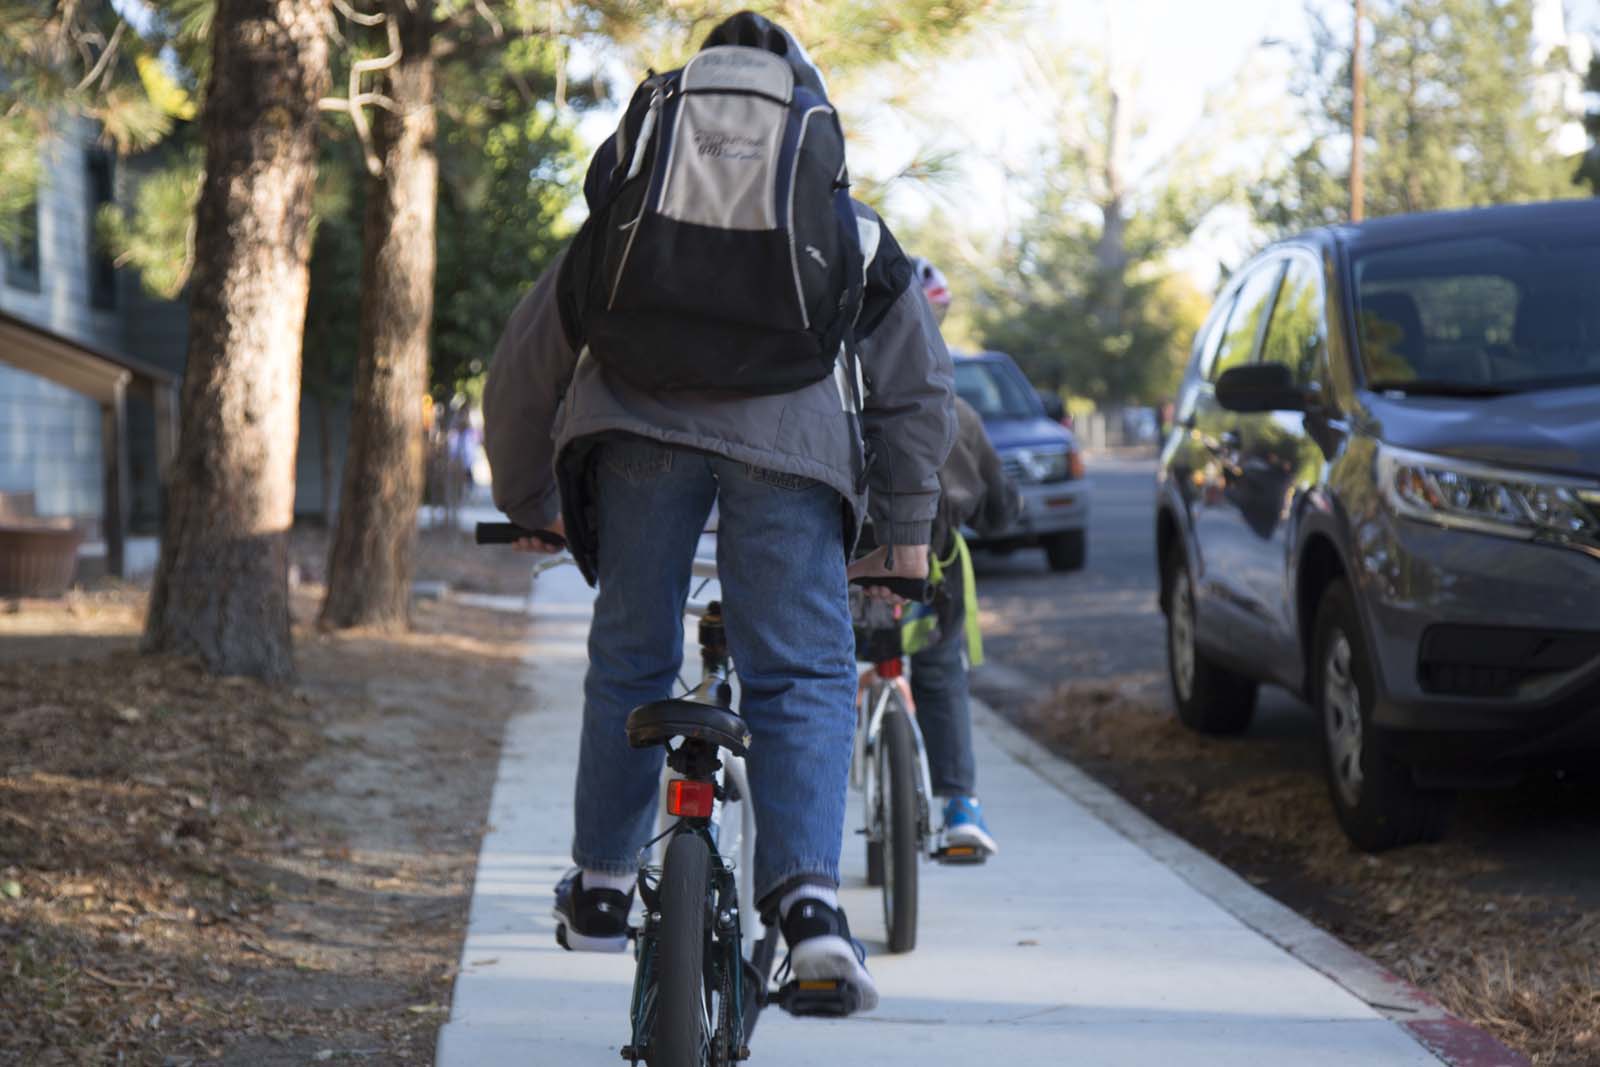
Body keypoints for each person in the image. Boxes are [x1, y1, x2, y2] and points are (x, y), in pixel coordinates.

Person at [483, 12, 955, 1015]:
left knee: (630, 656)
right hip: (788, 453)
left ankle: (605, 879)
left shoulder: (631, 205)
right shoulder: (847, 222)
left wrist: (529, 499)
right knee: (800, 670)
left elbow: (527, 357)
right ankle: (810, 906)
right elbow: (916, 383)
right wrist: (900, 529)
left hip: (633, 434)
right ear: (808, 117)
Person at [901, 257, 1018, 857]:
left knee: (817, 681)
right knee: (942, 674)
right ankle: (959, 804)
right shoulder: (959, 415)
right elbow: (1001, 510)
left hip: (844, 595)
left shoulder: (835, 407)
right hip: (928, 600)